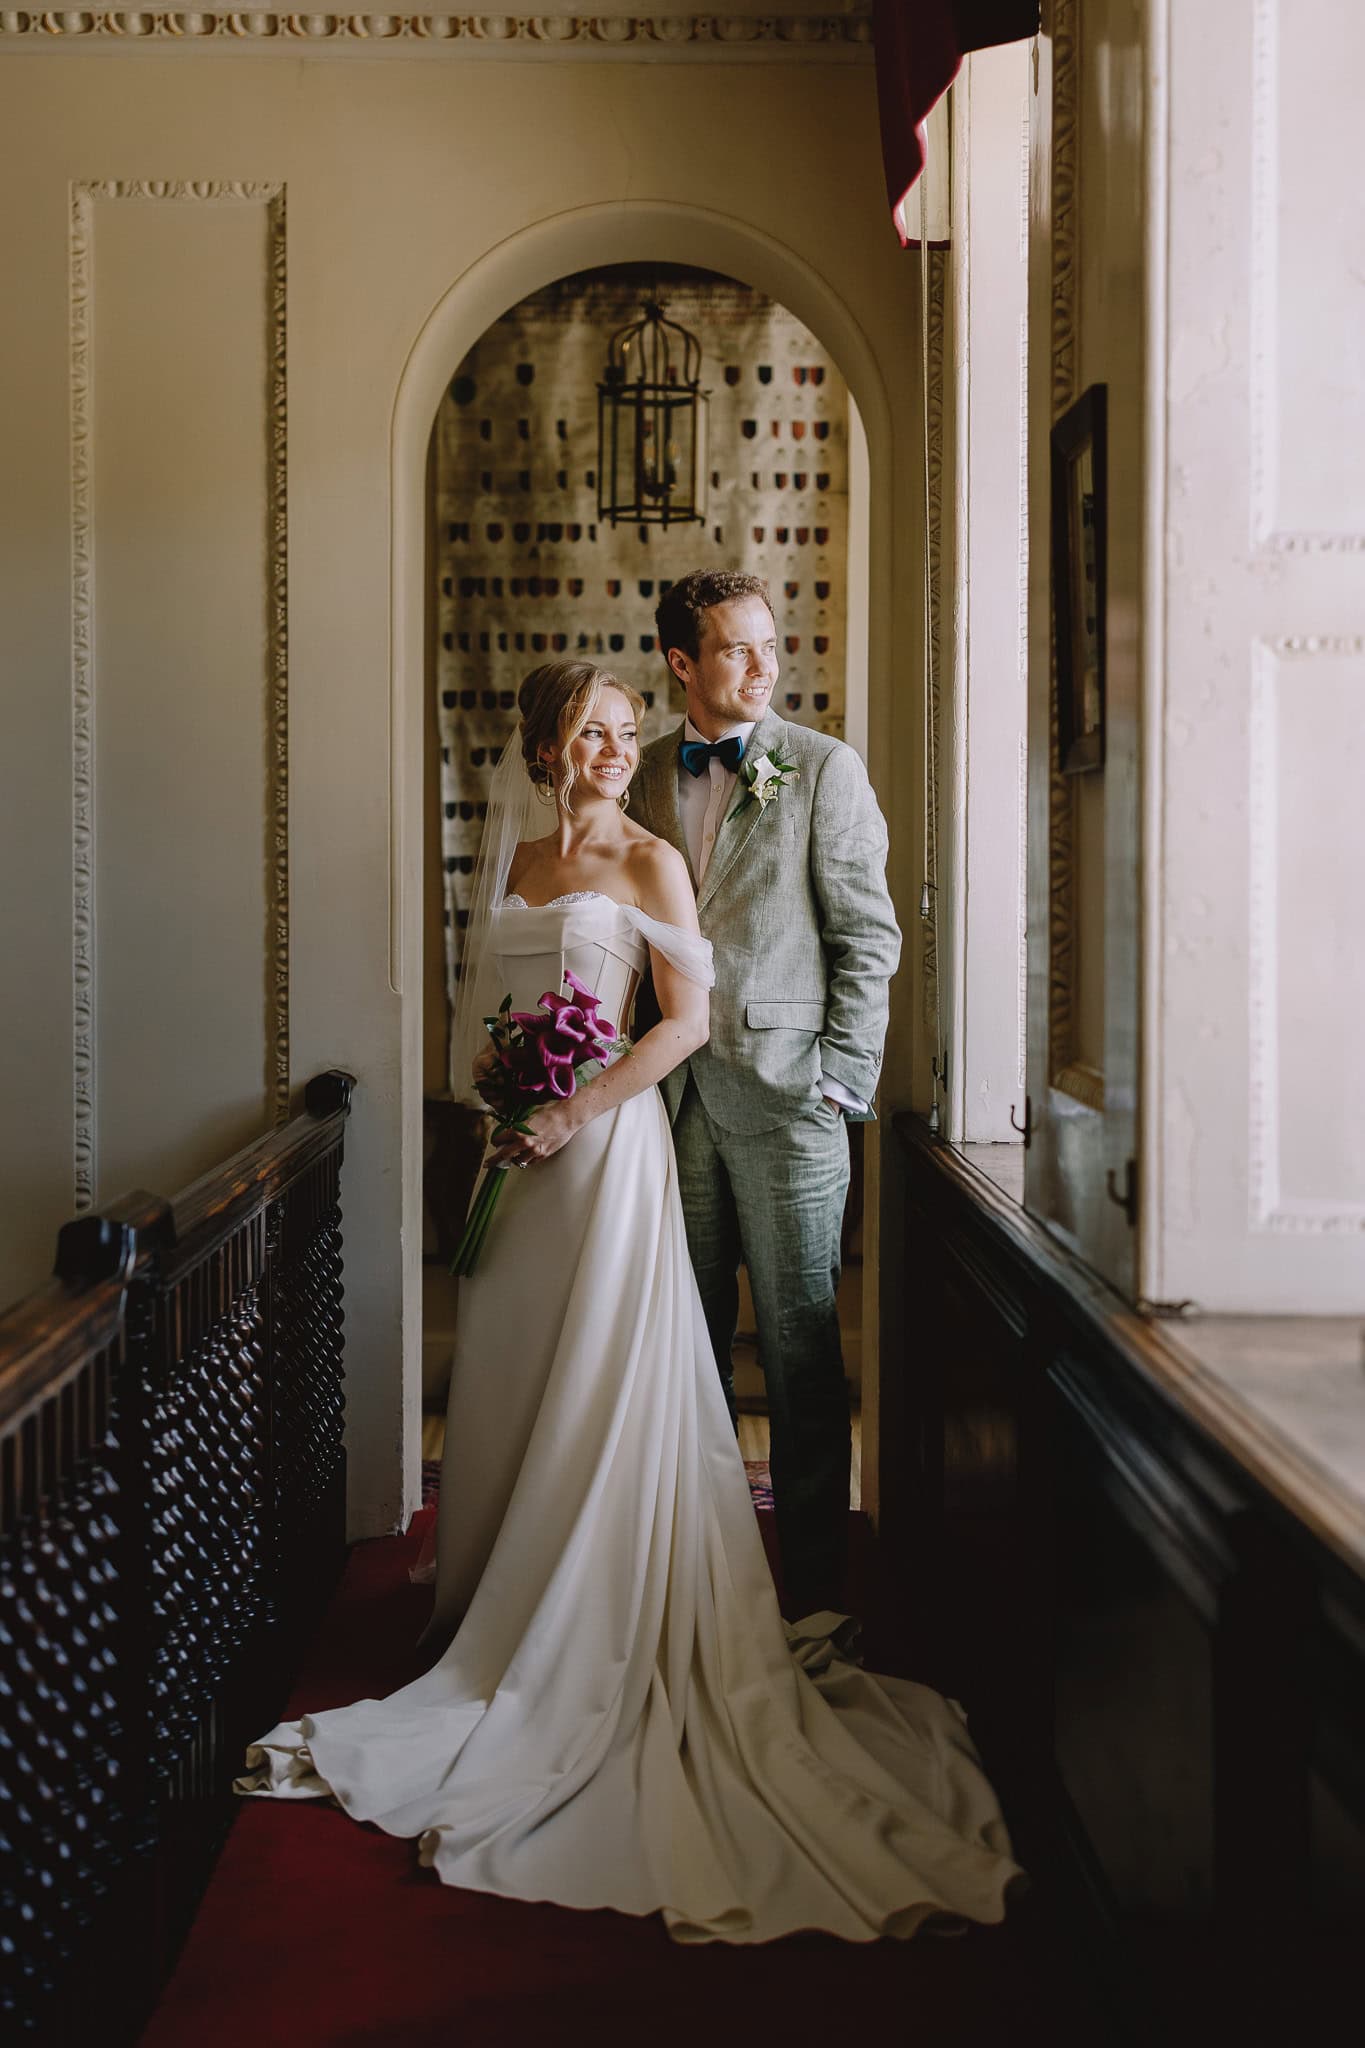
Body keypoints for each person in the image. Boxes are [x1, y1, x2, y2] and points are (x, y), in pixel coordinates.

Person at [238, 660, 1019, 1945]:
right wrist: (504, 1101)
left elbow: (684, 1024)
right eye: (589, 734)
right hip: (521, 1155)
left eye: (621, 732)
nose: (612, 749)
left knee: (604, 1377)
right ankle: (497, 1589)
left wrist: (573, 1107)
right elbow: (481, 1018)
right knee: (519, 1373)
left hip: (603, 1155)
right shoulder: (521, 864)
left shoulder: (655, 861)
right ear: (546, 748)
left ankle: (588, 1610)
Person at [630, 570, 901, 1618]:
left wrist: (840, 1076)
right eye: (736, 649)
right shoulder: (648, 773)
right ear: (683, 663)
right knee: (685, 1341)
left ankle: (817, 1592)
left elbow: (867, 934)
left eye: (769, 645)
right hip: (673, 1101)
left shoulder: (822, 768)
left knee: (799, 1343)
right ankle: (703, 1583)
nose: (763, 664)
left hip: (793, 1099)